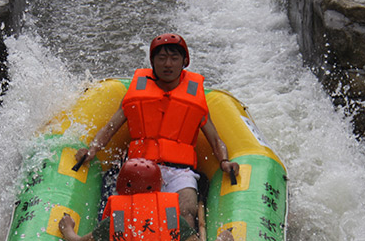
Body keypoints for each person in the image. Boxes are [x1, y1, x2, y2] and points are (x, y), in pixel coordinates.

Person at [74, 33, 240, 230]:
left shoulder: (195, 100)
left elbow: (215, 140)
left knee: (186, 209)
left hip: (180, 172)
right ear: (152, 61)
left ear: (184, 62)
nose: (167, 64)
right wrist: (92, 150)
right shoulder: (136, 94)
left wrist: (224, 161)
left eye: (174, 58)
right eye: (161, 58)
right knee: (128, 215)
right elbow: (110, 129)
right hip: (139, 168)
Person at [59, 158, 234, 241]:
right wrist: (223, 240)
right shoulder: (171, 216)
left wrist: (68, 229)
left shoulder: (117, 219)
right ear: (158, 186)